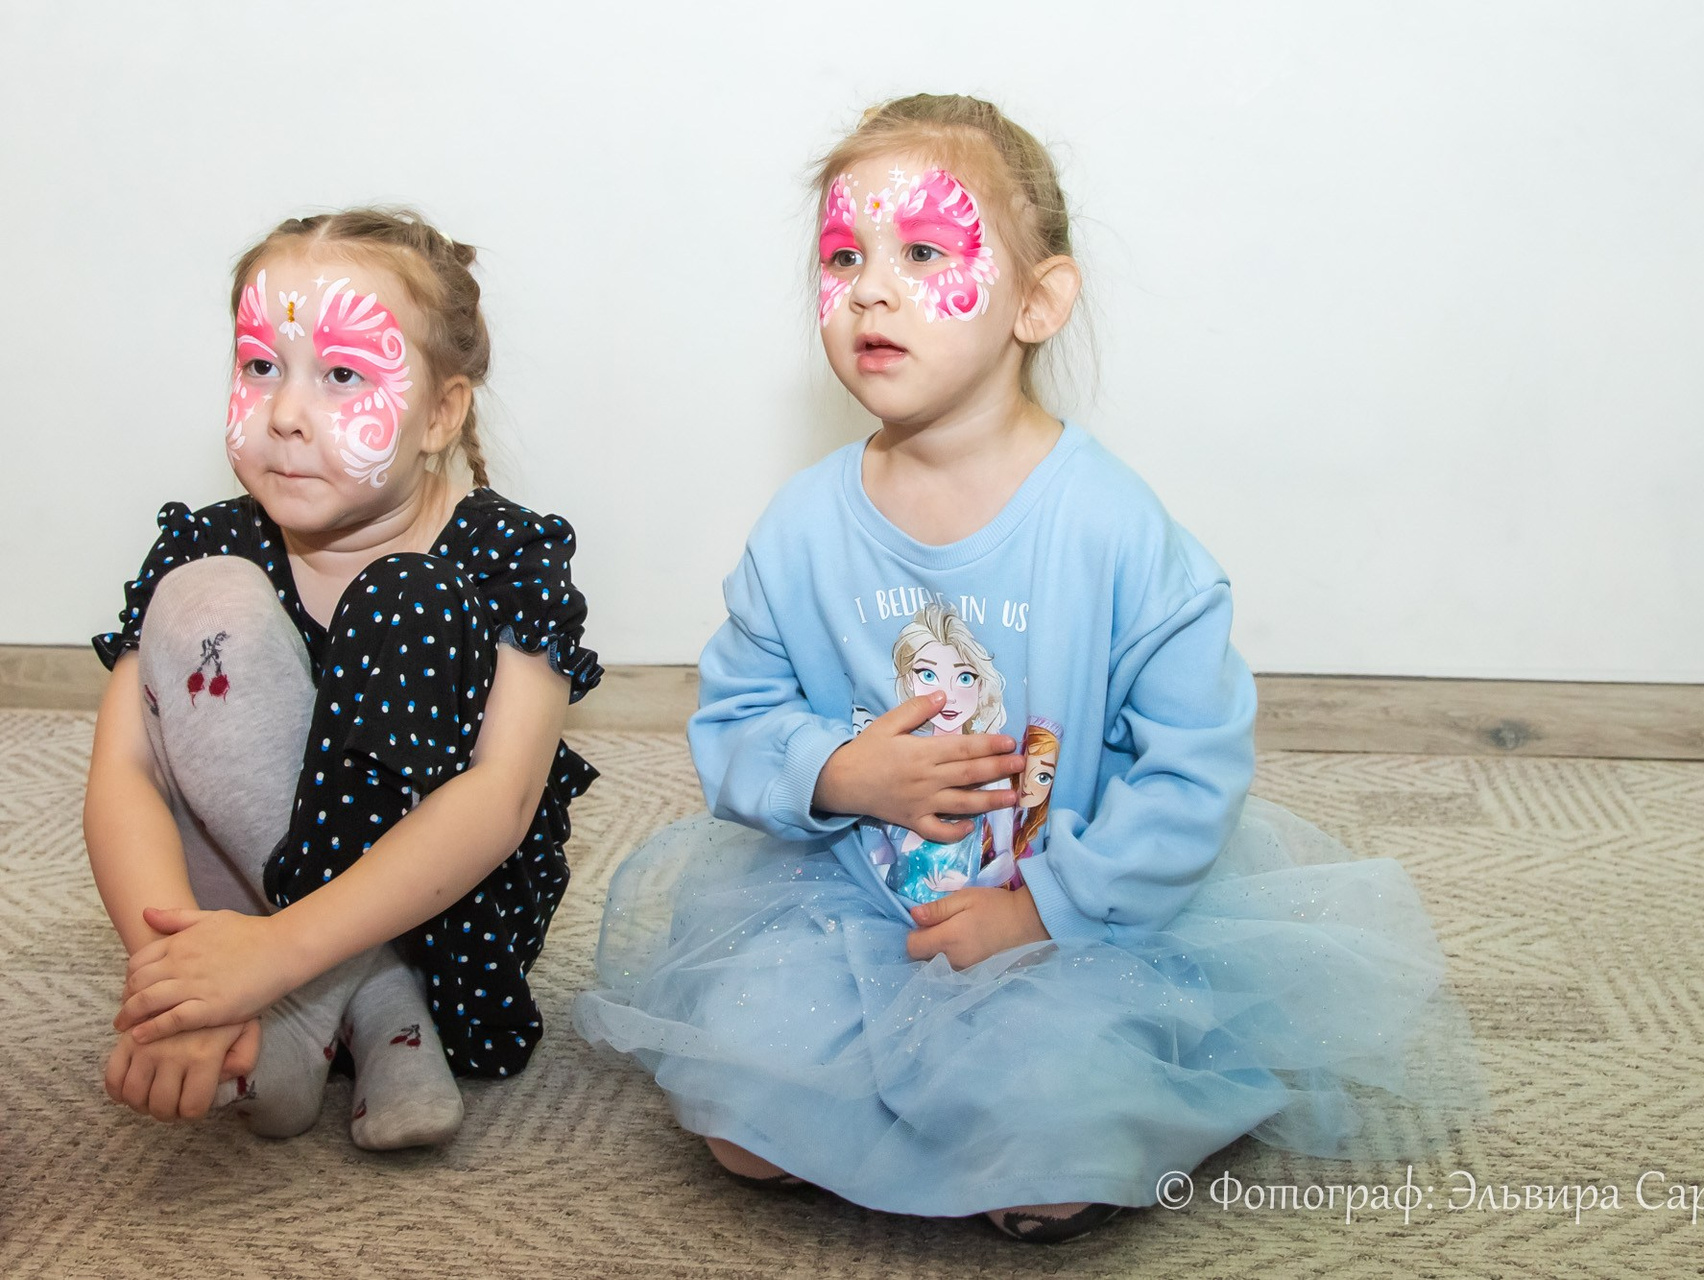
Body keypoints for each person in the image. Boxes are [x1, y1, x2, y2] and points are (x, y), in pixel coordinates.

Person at [575, 95, 1469, 1241]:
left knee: (1054, 1127)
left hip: (1073, 910)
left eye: (924, 252)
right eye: (843, 256)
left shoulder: (1114, 531)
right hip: (850, 897)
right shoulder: (801, 529)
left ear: (1038, 302)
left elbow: (1193, 765)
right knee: (742, 1118)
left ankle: (1093, 1100)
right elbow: (738, 716)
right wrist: (838, 773)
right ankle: (910, 1101)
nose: (871, 289)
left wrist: (1040, 910)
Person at [87, 208, 600, 1149]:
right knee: (201, 602)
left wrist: (277, 956)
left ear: (441, 412)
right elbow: (126, 772)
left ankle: (356, 1001)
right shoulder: (209, 544)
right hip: (240, 924)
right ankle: (364, 1008)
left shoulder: (506, 556)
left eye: (341, 375)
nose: (285, 412)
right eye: (260, 366)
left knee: (407, 595)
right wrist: (180, 989)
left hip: (440, 931)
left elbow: (502, 799)